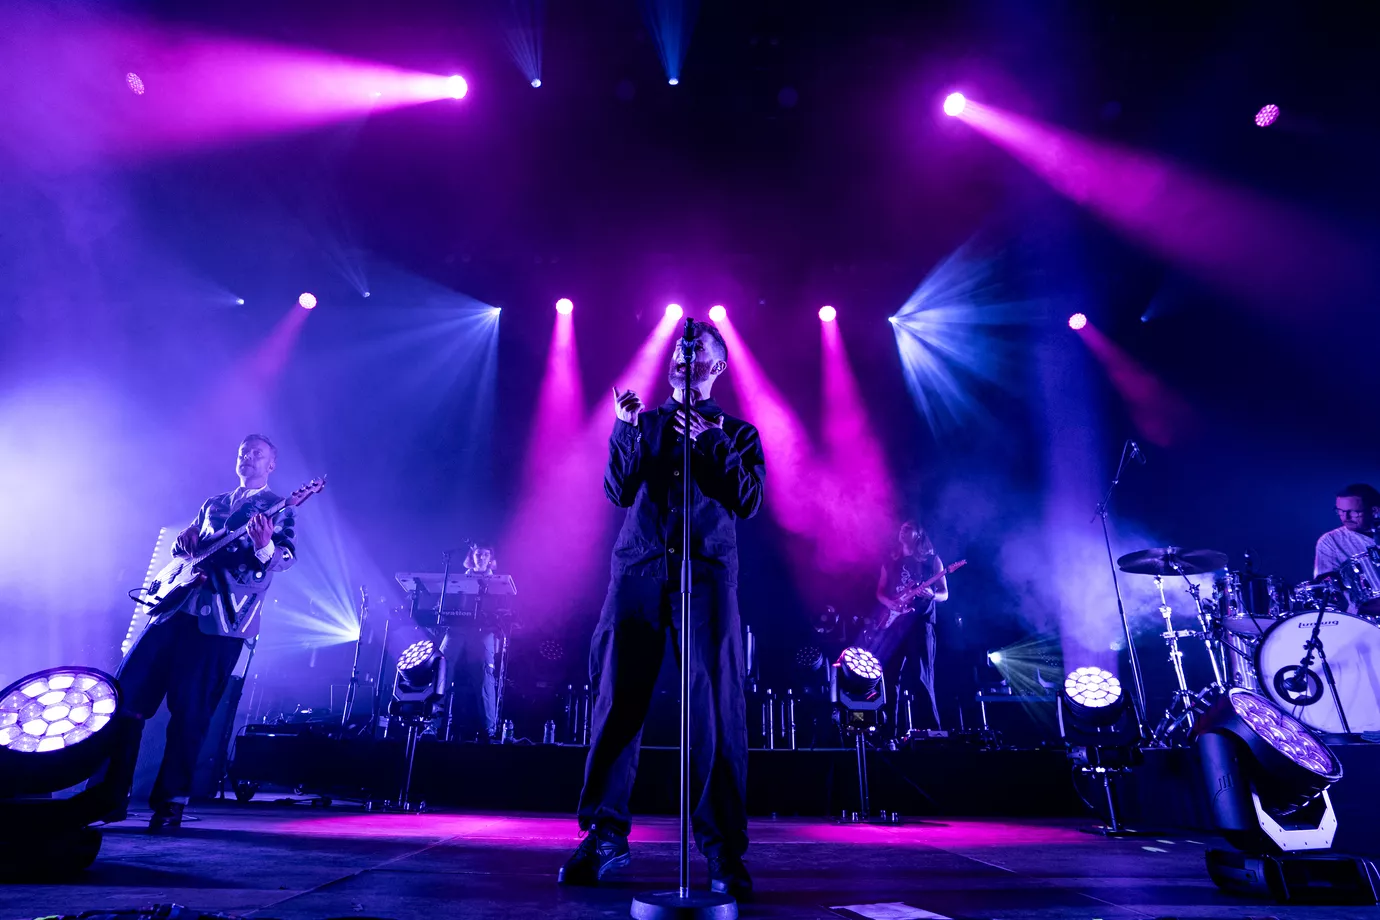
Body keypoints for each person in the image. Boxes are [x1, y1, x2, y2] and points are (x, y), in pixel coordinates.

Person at [558, 321, 765, 899]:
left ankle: (722, 850)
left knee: (717, 712)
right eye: (678, 349)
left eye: (696, 351)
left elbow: (748, 500)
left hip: (707, 579)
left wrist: (712, 442)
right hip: (639, 575)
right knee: (617, 702)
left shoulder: (737, 432)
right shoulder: (643, 423)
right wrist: (624, 430)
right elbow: (617, 491)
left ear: (716, 368)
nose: (683, 355)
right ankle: (604, 835)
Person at [111, 435, 298, 829]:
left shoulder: (280, 506)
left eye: (257, 454)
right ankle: (110, 795)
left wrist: (264, 546)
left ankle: (170, 804)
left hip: (222, 623)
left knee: (190, 714)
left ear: (271, 464)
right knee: (126, 698)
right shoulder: (214, 503)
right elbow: (186, 549)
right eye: (243, 452)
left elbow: (285, 557)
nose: (248, 458)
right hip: (173, 611)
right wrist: (183, 544)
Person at [872, 520, 949, 735]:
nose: (903, 530)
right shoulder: (890, 561)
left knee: (922, 679)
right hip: (894, 627)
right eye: (902, 528)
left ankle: (932, 735)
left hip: (919, 626)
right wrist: (890, 604)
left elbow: (944, 594)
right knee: (888, 679)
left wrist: (932, 594)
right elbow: (880, 592)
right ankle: (888, 735)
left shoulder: (931, 560)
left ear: (919, 534)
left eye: (909, 528)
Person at [443, 543, 500, 741]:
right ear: (472, 557)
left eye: (485, 554)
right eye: (478, 554)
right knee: (440, 666)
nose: (481, 558)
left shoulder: (497, 581)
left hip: (482, 631)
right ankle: (430, 725)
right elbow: (448, 601)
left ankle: (489, 731)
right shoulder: (460, 579)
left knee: (485, 677)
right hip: (457, 628)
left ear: (490, 558)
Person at [1314, 483, 1380, 614]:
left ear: (1374, 511)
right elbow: (1327, 587)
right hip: (1364, 616)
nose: (1345, 517)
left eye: (1354, 512)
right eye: (1340, 511)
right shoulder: (1330, 541)